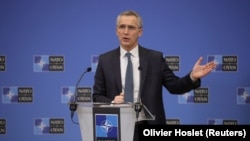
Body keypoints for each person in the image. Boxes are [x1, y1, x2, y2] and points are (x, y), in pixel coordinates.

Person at [92, 10, 216, 140]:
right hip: (115, 127)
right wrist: (112, 102)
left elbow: (174, 86)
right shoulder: (105, 60)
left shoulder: (155, 58)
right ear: (117, 31)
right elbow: (97, 96)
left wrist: (193, 76)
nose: (126, 32)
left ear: (140, 32)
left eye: (131, 27)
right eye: (122, 27)